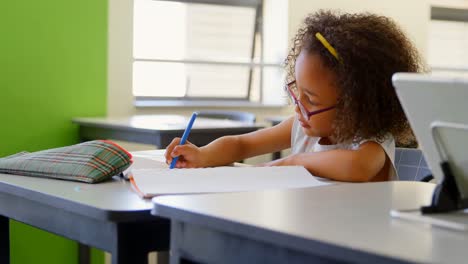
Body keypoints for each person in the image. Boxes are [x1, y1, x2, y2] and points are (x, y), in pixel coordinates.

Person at [165, 10, 424, 182]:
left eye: (311, 99)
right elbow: (242, 145)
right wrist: (204, 155)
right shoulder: (300, 127)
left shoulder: (370, 140)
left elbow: (359, 166)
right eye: (297, 90)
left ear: (355, 105)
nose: (298, 107)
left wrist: (294, 161)